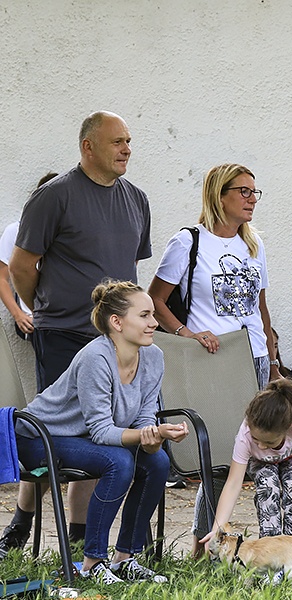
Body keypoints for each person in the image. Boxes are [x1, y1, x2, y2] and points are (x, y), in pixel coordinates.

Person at [3, 111, 151, 557]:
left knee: (102, 433)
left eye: (129, 140)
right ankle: (24, 520)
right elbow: (22, 267)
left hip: (116, 339)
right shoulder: (55, 197)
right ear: (88, 147)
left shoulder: (137, 199)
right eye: (117, 142)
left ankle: (82, 537)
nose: (127, 149)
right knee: (62, 434)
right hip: (64, 334)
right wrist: (47, 308)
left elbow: (130, 269)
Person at [14, 281, 189, 584]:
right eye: (145, 315)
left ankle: (125, 558)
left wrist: (154, 438)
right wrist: (150, 434)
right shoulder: (96, 357)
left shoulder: (153, 356)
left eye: (152, 315)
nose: (154, 322)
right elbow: (101, 431)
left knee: (158, 463)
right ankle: (92, 563)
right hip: (38, 436)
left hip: (83, 438)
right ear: (117, 322)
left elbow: (144, 419)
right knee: (117, 462)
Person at [148, 163, 281, 556]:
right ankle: (202, 546)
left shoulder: (253, 243)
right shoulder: (189, 242)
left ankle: (263, 544)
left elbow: (260, 306)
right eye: (243, 191)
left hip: (254, 357)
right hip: (213, 362)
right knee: (220, 458)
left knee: (261, 452)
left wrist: (272, 360)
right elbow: (155, 299)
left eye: (255, 192)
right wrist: (185, 333)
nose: (252, 199)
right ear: (218, 195)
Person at [199, 379, 292, 548]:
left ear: (289, 426)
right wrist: (218, 528)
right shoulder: (246, 435)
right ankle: (270, 548)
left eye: (269, 442)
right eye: (256, 439)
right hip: (261, 461)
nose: (262, 445)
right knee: (267, 487)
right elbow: (233, 483)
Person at [0, 172, 58, 340]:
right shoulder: (17, 230)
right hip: (36, 322)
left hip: (68, 322)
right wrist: (18, 314)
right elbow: (2, 277)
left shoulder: (71, 233)